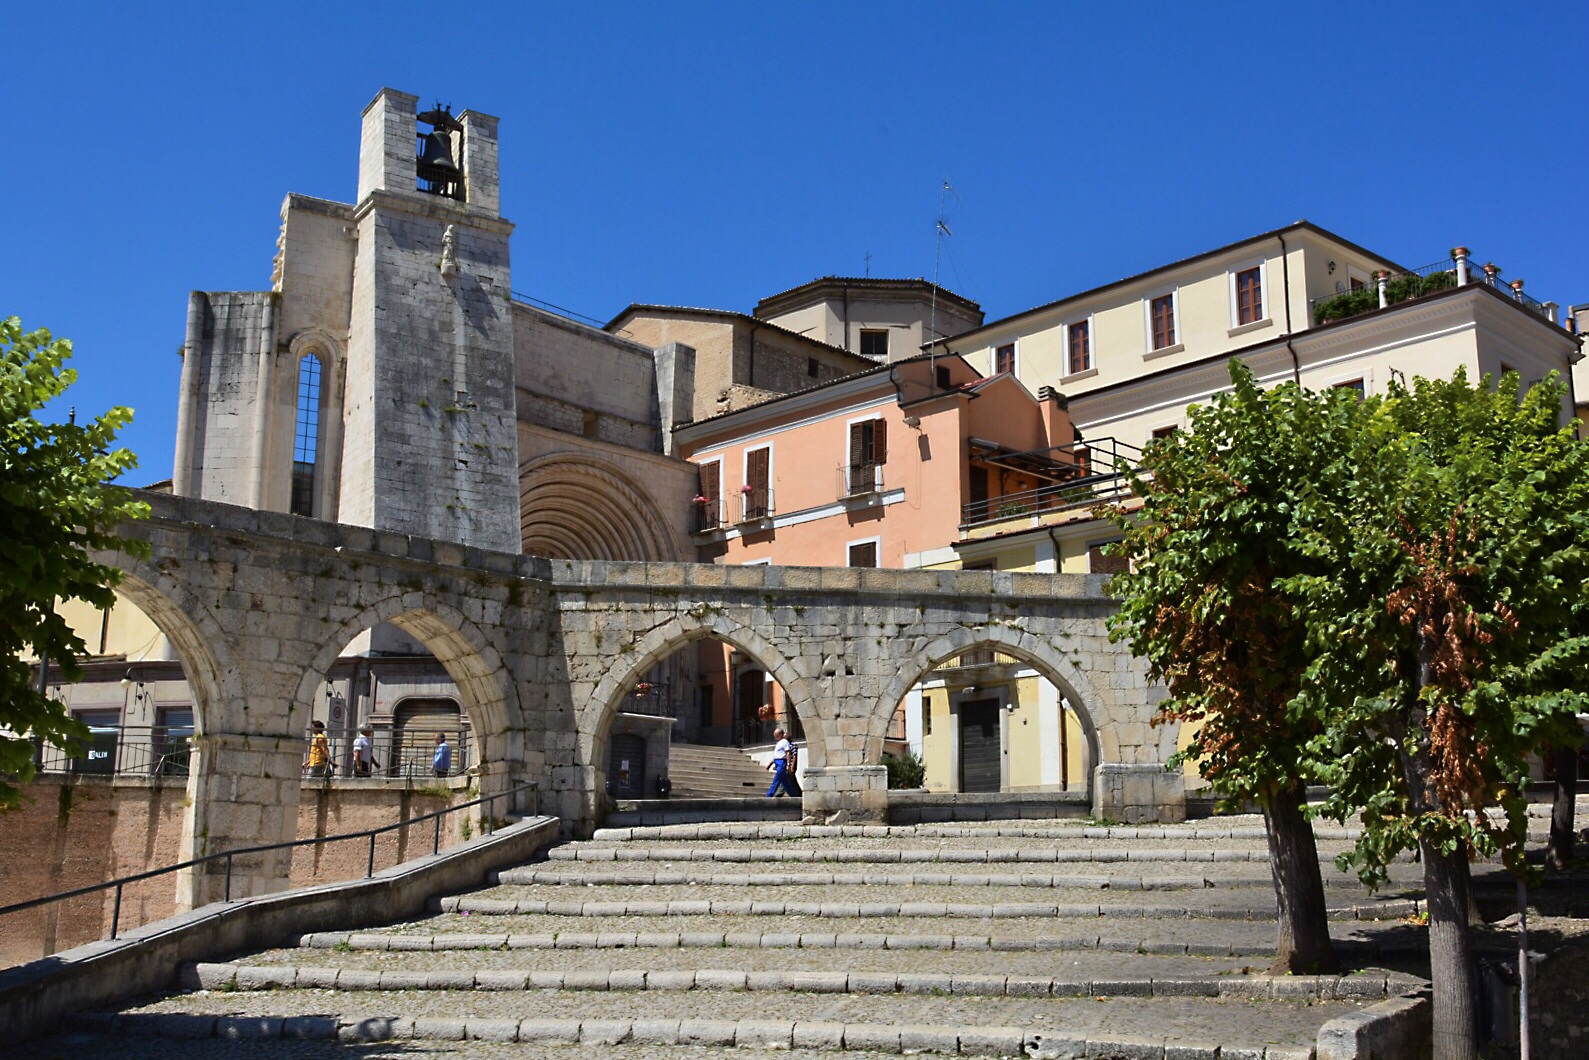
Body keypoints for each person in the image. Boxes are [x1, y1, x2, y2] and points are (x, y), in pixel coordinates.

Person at [765, 727, 800, 797]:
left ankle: (769, 795)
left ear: (780, 734)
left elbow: (788, 753)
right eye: (774, 734)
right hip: (778, 762)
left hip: (782, 763)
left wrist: (788, 764)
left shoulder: (785, 742)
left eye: (776, 734)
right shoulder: (779, 743)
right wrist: (770, 764)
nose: (775, 735)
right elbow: (777, 755)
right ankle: (794, 796)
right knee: (786, 782)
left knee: (777, 779)